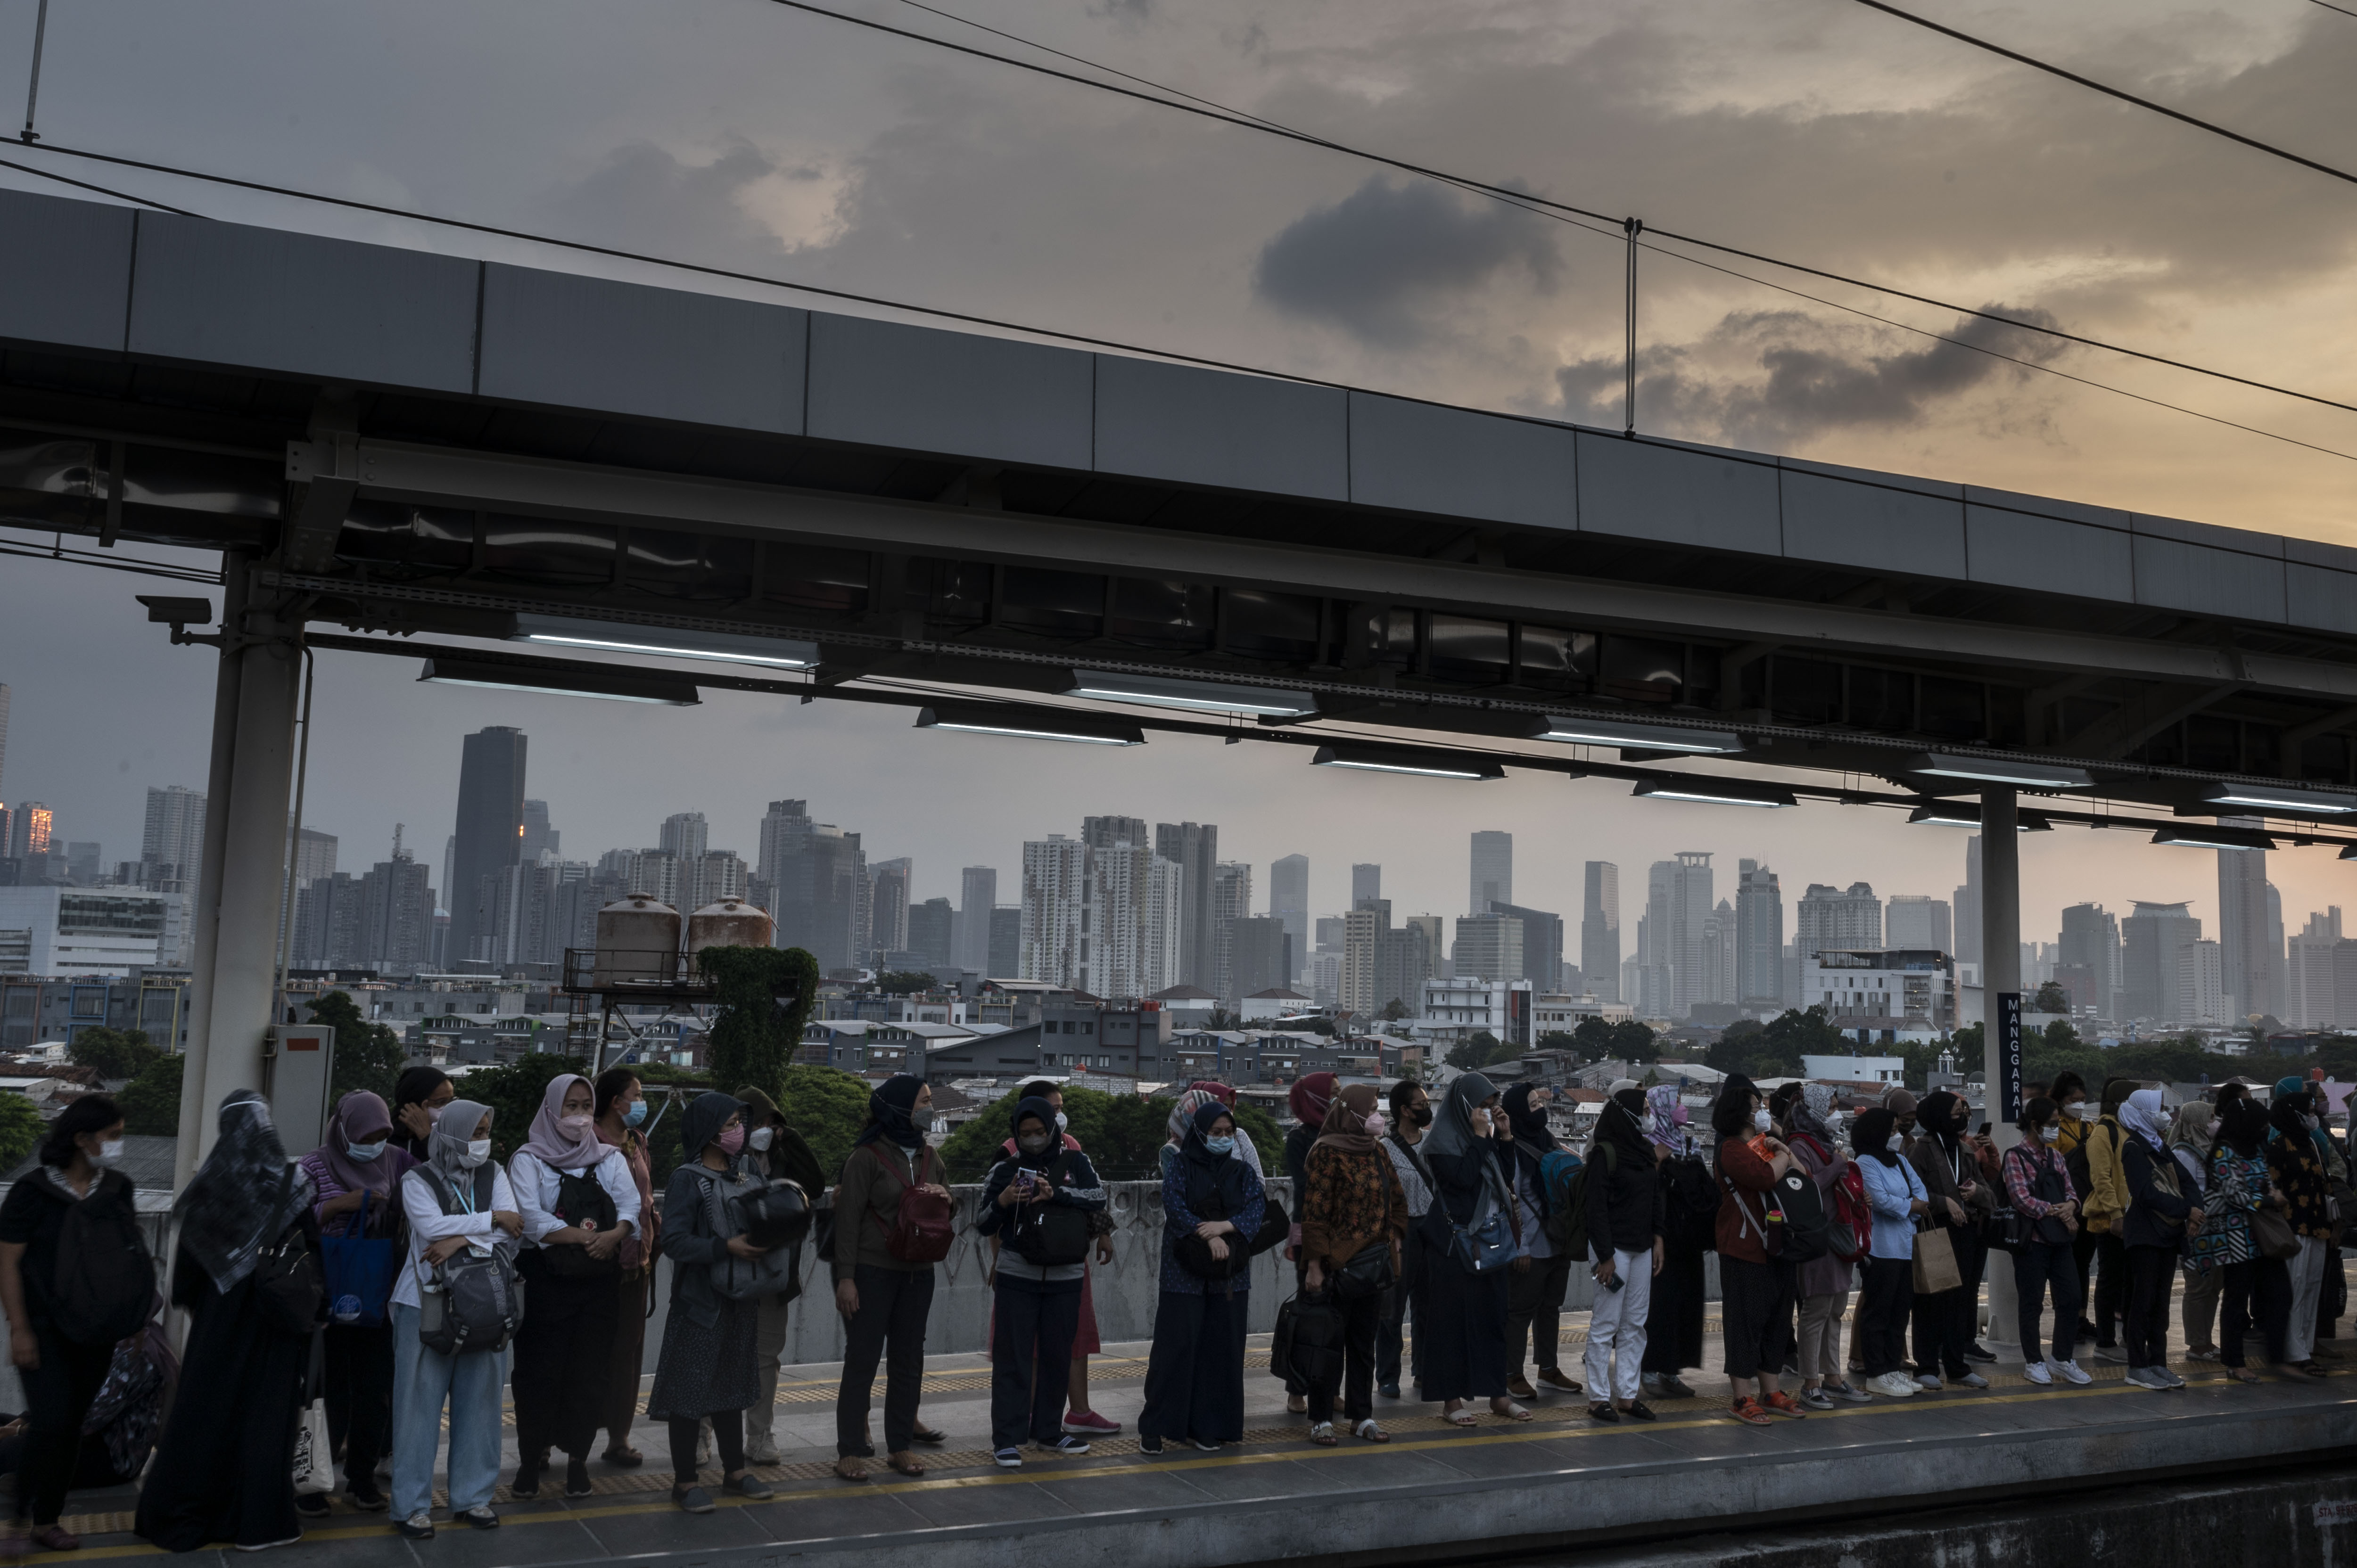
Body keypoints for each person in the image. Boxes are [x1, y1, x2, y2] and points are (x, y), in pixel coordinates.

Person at [136, 1091, 321, 1553]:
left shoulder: (209, 1189)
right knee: (266, 1420)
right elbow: (313, 1254)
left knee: (205, 1416)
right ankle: (258, 1524)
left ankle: (187, 1512)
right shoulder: (291, 1183)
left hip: (217, 1328)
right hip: (276, 1326)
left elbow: (186, 1281)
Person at [0, 1096, 137, 1552]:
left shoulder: (117, 1189)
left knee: (72, 1423)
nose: (118, 1144)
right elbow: (8, 1261)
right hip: (43, 1328)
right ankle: (19, 1518)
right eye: (112, 1135)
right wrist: (20, 1328)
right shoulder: (32, 1192)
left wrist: (133, 1319)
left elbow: (129, 1257)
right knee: (50, 1421)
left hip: (96, 1330)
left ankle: (47, 1519)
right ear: (82, 1138)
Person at [388, 1100, 522, 1541]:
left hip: (486, 1300)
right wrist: (490, 1219)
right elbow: (431, 1228)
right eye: (475, 1132)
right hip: (425, 1301)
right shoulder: (416, 1179)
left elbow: (513, 1229)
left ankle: (473, 1497)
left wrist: (461, 1237)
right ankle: (411, 1506)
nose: (483, 1141)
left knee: (482, 1403)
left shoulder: (494, 1173)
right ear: (450, 1135)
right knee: (417, 1407)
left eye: (486, 1131)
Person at [509, 1074, 642, 1501]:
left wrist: (615, 1234)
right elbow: (529, 1217)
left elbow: (631, 1204)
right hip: (545, 1280)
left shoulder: (609, 1157)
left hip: (598, 1281)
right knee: (538, 1372)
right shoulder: (527, 1159)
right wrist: (587, 1238)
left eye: (587, 1106)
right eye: (572, 1106)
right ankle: (531, 1459)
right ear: (552, 1110)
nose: (580, 1115)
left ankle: (579, 1462)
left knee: (590, 1373)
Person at [644, 1092, 779, 1512]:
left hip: (742, 1300)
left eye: (740, 1122)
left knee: (732, 1388)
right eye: (730, 1123)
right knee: (689, 1393)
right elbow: (674, 1241)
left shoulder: (747, 1171)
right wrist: (726, 1247)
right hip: (700, 1305)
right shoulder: (687, 1178)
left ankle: (735, 1472)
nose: (739, 1131)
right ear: (708, 1131)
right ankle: (685, 1482)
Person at [296, 1091, 417, 1514]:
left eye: (382, 1135)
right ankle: (313, 1482)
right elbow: (292, 1219)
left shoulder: (398, 1161)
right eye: (366, 1137)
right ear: (343, 1131)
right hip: (327, 1295)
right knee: (326, 1393)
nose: (375, 1144)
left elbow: (434, 1188)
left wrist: (427, 1136)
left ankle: (361, 1478)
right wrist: (337, 1206)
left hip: (378, 1292)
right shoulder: (313, 1165)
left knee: (374, 1389)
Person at [973, 1097, 1106, 1467]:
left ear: (1052, 1129)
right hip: (1018, 1274)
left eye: (1040, 1131)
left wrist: (1056, 1192)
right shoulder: (1005, 1169)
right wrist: (1004, 1200)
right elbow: (982, 1222)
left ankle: (1049, 1430)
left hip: (1066, 1275)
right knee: (1013, 1358)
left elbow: (1098, 1197)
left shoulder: (1076, 1162)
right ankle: (1006, 1438)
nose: (1034, 1138)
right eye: (1026, 1133)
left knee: (1057, 1355)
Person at [832, 1074, 947, 1482]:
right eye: (923, 1102)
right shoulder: (865, 1158)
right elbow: (847, 1221)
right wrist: (847, 1278)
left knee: (908, 1360)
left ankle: (899, 1445)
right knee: (862, 1360)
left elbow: (947, 1205)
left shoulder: (931, 1156)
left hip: (919, 1272)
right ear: (899, 1108)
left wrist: (947, 1198)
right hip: (873, 1271)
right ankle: (849, 1450)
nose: (930, 1108)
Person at [1139, 1098, 1265, 1453]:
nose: (1223, 1138)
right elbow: (1174, 1204)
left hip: (1229, 1275)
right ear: (1199, 1132)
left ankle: (1208, 1425)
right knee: (1175, 1348)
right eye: (1215, 1132)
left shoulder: (1242, 1172)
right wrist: (1206, 1235)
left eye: (1228, 1132)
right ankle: (1157, 1425)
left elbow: (1256, 1207)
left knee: (1220, 1350)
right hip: (1184, 1273)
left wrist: (1224, 1227)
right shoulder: (1181, 1165)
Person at [997, 1079, 1119, 1440]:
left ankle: (1075, 1412)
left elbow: (1090, 1193)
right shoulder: (1010, 1153)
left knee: (1072, 1337)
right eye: (1053, 1109)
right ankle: (1027, 1417)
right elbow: (997, 1210)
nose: (1058, 1116)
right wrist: (996, 1258)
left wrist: (1104, 1232)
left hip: (1068, 1258)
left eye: (1060, 1109)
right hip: (1025, 1262)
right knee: (1025, 1346)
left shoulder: (1073, 1149)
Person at [1298, 1084, 1408, 1445]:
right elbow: (1315, 1212)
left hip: (1373, 1267)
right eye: (1372, 1109)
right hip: (1335, 1267)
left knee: (1363, 1345)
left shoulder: (1378, 1150)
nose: (1378, 1116)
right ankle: (1321, 1419)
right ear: (1351, 1114)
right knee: (1328, 1346)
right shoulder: (1326, 1152)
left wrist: (1395, 1237)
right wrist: (1315, 1266)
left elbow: (1397, 1198)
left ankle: (1362, 1416)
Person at [1419, 1072, 1529, 1426]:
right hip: (1454, 1246)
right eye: (1481, 1105)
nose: (1487, 1112)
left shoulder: (1484, 1139)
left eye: (1491, 1105)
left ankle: (1498, 1394)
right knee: (1451, 1323)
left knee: (1494, 1319)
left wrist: (1505, 1137)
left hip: (1490, 1241)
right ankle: (1451, 1400)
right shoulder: (1441, 1143)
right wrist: (1482, 1137)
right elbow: (1463, 1181)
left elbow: (1505, 1178)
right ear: (1463, 1104)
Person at [734, 1083, 827, 1465]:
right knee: (721, 1355)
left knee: (766, 1359)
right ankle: (703, 1434)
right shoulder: (725, 1157)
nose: (765, 1130)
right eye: (758, 1122)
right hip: (731, 1274)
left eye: (772, 1123)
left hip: (775, 1277)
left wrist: (791, 1137)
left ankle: (760, 1437)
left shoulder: (784, 1157)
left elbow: (816, 1185)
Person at [1712, 1075, 1803, 1425]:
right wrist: (1782, 1154)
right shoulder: (1731, 1148)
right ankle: (1741, 1397)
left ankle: (1771, 1391)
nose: (1762, 1111)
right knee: (1744, 1323)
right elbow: (1765, 1176)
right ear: (1740, 1113)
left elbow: (1802, 1175)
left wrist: (1782, 1148)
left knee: (1777, 1321)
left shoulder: (1768, 1143)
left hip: (1778, 1245)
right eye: (1756, 1107)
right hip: (1745, 1247)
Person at [2205, 1096, 2306, 1382]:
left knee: (2281, 1295)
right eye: (2260, 1124)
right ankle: (2235, 1363)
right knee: (2236, 1300)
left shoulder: (2256, 1148)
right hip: (2236, 1238)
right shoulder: (2224, 1152)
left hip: (2263, 1237)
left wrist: (2270, 1193)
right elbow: (2235, 1195)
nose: (2265, 1129)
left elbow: (2263, 1182)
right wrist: (2270, 1200)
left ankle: (2277, 1358)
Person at [1583, 1087, 1662, 1422]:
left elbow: (1655, 1198)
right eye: (1643, 1110)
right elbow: (1595, 1209)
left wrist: (1658, 1239)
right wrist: (1605, 1256)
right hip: (1613, 1250)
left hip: (1641, 1248)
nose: (1649, 1115)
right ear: (1626, 1114)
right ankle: (1598, 1397)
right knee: (1606, 1324)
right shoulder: (1605, 1154)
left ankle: (1628, 1395)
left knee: (1635, 1324)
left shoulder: (1644, 1151)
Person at [1785, 1084, 1866, 1408]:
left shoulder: (1825, 1143)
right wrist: (1838, 1164)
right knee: (1815, 1312)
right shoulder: (1799, 1146)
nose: (1836, 1114)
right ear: (1814, 1110)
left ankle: (1832, 1377)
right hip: (1818, 1239)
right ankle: (1810, 1382)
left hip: (1838, 1237)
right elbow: (1809, 1187)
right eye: (1831, 1107)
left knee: (1835, 1310)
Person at [1906, 1090, 1993, 1391]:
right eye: (1957, 1112)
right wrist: (1945, 1202)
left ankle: (1957, 1365)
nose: (1962, 1117)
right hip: (1934, 1232)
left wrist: (1976, 1193)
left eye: (1963, 1112)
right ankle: (1927, 1366)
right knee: (1930, 1300)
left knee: (1960, 1301)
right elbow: (1912, 1193)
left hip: (1965, 1233)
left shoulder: (1965, 1151)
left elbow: (1989, 1195)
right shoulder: (1920, 1150)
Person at [1496, 1084, 1580, 1400]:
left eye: (1539, 1103)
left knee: (1551, 1308)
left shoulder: (1548, 1140)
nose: (1540, 1109)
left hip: (1558, 1240)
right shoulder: (1512, 1149)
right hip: (1531, 1245)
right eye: (1532, 1105)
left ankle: (1548, 1369)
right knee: (1520, 1311)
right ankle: (1512, 1374)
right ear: (1519, 1112)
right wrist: (1521, 1247)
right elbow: (1510, 1200)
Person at [592, 1067, 658, 1468]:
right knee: (586, 1350)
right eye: (637, 1094)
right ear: (616, 1102)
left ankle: (619, 1437)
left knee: (628, 1353)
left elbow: (646, 1199)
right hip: (597, 1262)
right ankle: (553, 1437)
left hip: (637, 1262)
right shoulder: (588, 1142)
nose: (642, 1101)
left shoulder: (637, 1142)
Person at [2002, 1097, 2091, 1387]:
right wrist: (2058, 1211)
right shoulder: (2014, 1157)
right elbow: (2021, 1200)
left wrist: (2072, 1206)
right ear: (2035, 1125)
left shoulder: (2056, 1157)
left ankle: (2062, 1358)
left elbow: (2071, 1191)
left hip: (2060, 1241)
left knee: (2072, 1297)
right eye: (2052, 1124)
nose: (2057, 1128)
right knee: (2032, 1303)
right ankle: (2034, 1362)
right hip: (2032, 1242)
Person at [2117, 1087, 2199, 1390]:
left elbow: (2186, 1180)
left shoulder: (2159, 1144)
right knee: (2143, 1301)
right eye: (2159, 1108)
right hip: (2145, 1235)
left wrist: (2195, 1211)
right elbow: (2145, 1193)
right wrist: (2187, 1210)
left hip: (2166, 1234)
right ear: (2143, 1113)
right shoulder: (2134, 1147)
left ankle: (2158, 1363)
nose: (2164, 1113)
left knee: (2161, 1303)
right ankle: (2137, 1366)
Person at [1853, 1106, 1928, 1399]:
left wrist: (1909, 1207)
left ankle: (1892, 1367)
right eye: (1892, 1130)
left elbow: (1921, 1193)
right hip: (1881, 1249)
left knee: (1900, 1312)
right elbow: (1880, 1200)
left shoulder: (1899, 1160)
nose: (1896, 1135)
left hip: (1905, 1247)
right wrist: (1909, 1206)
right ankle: (1876, 1372)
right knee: (1879, 1312)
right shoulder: (1865, 1162)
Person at [1640, 1084, 1707, 1401]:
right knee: (1659, 1306)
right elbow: (1642, 1189)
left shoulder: (1689, 1143)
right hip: (1660, 1238)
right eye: (1676, 1102)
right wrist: (1656, 1161)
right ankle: (1649, 1368)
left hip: (1688, 1239)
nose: (1682, 1107)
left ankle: (1672, 1369)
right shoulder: (1648, 1145)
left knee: (1686, 1304)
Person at [2269, 1078, 2335, 1375]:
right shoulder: (2279, 1146)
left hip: (2318, 1224)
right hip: (2294, 1226)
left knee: (2311, 1287)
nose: (2313, 1115)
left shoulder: (2311, 1143)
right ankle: (2294, 1351)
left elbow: (2323, 1181)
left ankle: (2305, 1346)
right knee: (2295, 1289)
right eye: (2308, 1111)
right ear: (2294, 1113)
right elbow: (2273, 1187)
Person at [1281, 1071, 1337, 1415]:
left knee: (1337, 1316)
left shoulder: (1344, 1133)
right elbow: (1307, 1188)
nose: (1338, 1100)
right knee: (1309, 1314)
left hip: (1343, 1234)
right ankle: (1297, 1390)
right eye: (1333, 1094)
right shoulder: (1301, 1139)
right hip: (1312, 1232)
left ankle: (1330, 1389)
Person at [1378, 1077, 1434, 1400]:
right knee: (1393, 1308)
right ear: (1404, 1110)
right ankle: (1388, 1376)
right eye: (1421, 1105)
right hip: (1400, 1232)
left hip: (1431, 1229)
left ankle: (1424, 1370)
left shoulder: (1432, 1144)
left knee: (1428, 1306)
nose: (1426, 1109)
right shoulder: (1384, 1149)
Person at [2082, 1079, 2135, 1360]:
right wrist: (2116, 1214)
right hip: (2111, 1219)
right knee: (2110, 1280)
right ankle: (2105, 1342)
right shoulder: (2103, 1133)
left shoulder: (2127, 1130)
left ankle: (2129, 1338)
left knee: (2129, 1280)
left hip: (2131, 1217)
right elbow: (2101, 1179)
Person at [2168, 1099, 2224, 1362]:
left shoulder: (2209, 1150)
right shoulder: (2183, 1154)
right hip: (2196, 1230)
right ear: (2196, 1123)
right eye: (2210, 1118)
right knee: (2198, 1287)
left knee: (2213, 1287)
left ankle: (2206, 1339)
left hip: (2214, 1228)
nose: (2215, 1123)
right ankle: (2196, 1344)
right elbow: (2184, 1192)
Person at [389, 1067, 454, 1163]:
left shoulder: (452, 1136)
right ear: (416, 1104)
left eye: (451, 1101)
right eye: (440, 1102)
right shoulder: (385, 1138)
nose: (448, 1108)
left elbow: (450, 1166)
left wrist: (426, 1135)